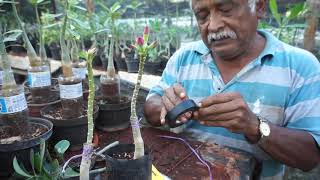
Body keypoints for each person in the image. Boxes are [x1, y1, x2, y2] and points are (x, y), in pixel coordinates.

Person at [144, 0, 320, 179]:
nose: (213, 25)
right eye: (202, 16)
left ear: (259, 7)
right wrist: (166, 105)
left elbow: (309, 157)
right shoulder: (184, 57)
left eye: (226, 10)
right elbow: (151, 107)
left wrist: (254, 126)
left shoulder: (300, 67)